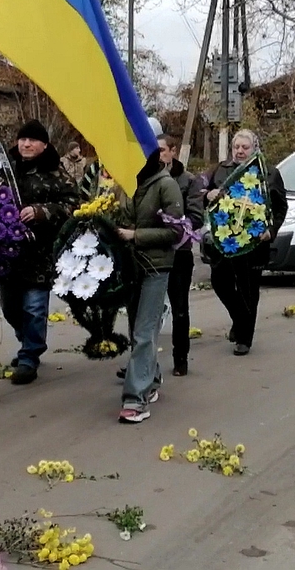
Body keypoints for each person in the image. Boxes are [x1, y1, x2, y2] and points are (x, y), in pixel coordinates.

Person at [0, 120, 81, 385]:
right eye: (23, 139)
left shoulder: (55, 171)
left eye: (33, 140)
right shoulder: (4, 169)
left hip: (41, 253)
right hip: (8, 252)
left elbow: (73, 204)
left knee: (34, 307)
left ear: (44, 145)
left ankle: (30, 356)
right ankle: (27, 343)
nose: (26, 144)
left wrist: (41, 212)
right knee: (10, 307)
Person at [113, 130, 184, 424]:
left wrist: (135, 235)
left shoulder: (166, 185)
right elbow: (117, 217)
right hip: (131, 267)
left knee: (144, 331)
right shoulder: (127, 183)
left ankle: (135, 398)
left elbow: (177, 231)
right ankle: (151, 376)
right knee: (138, 330)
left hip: (156, 267)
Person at [202, 128, 288, 356]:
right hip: (225, 242)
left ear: (255, 148)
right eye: (236, 147)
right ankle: (240, 319)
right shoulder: (222, 170)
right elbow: (205, 195)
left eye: (245, 147)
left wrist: (271, 230)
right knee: (220, 281)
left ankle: (244, 338)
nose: (240, 152)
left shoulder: (268, 173)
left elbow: (280, 207)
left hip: (255, 242)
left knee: (249, 289)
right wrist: (207, 196)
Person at [156, 132, 206, 376]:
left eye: (162, 150)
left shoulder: (188, 181)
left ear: (173, 151)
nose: (158, 155)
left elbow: (196, 217)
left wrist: (174, 225)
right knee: (147, 310)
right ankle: (142, 361)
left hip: (179, 252)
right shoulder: (147, 178)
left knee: (179, 307)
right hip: (152, 252)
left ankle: (180, 358)